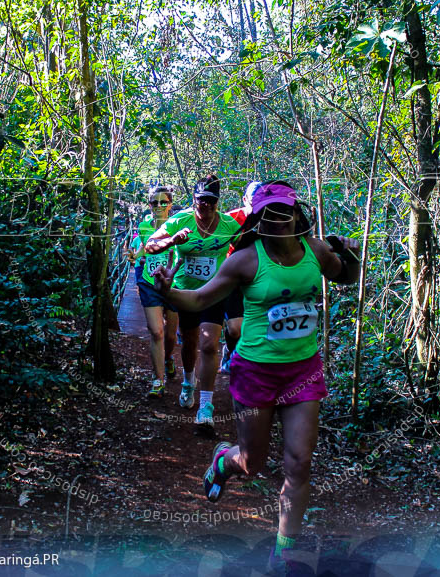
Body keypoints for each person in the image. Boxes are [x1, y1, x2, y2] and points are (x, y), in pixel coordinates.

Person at [152, 181, 359, 572]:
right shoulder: (245, 260)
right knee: (253, 464)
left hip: (303, 371)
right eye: (270, 213)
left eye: (287, 211)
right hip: (256, 372)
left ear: (298, 215)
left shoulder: (315, 251)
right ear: (259, 220)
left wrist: (350, 255)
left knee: (299, 464)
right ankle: (222, 463)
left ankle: (284, 554)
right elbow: (199, 299)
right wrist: (168, 292)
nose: (280, 219)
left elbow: (346, 275)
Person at [144, 174, 241, 432]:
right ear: (194, 199)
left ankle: (205, 406)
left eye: (211, 201)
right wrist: (172, 241)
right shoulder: (180, 220)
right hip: (185, 292)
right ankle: (188, 382)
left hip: (214, 291)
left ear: (218, 202)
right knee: (189, 342)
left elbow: (247, 250)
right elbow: (150, 245)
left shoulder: (229, 225)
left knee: (209, 344)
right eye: (201, 201)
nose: (206, 206)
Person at [127, 186, 179, 398]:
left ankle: (168, 359)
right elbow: (141, 249)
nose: (159, 206)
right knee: (156, 331)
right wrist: (134, 256)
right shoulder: (143, 226)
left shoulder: (178, 226)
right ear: (149, 205)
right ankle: (157, 380)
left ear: (170, 205)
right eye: (154, 202)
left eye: (163, 202)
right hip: (149, 282)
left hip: (173, 284)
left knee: (169, 334)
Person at [220, 180, 262, 375]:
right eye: (253, 200)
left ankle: (245, 360)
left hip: (258, 278)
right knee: (235, 328)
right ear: (245, 199)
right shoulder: (231, 220)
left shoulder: (271, 222)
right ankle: (229, 351)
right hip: (232, 277)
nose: (257, 204)